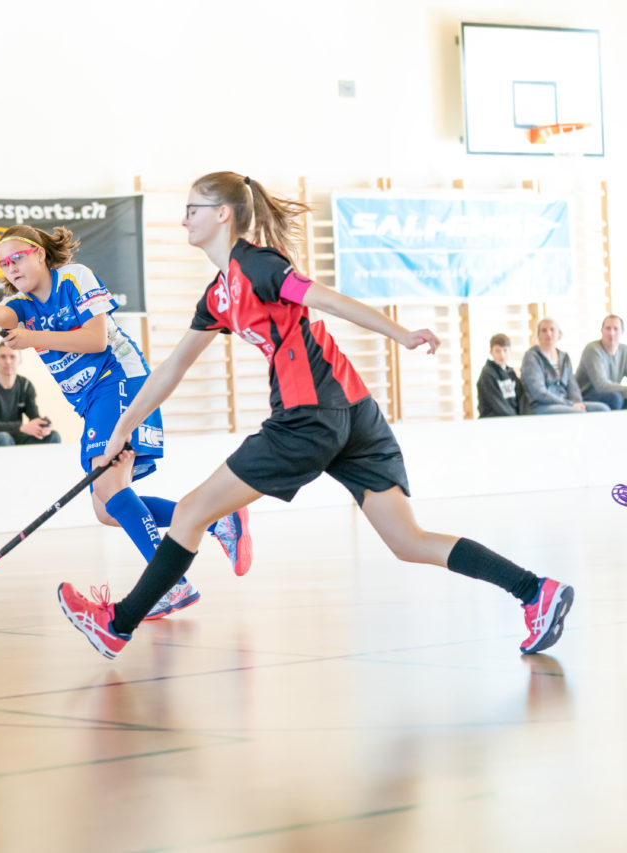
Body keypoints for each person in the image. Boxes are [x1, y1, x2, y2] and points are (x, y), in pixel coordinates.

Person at [54, 171, 574, 660]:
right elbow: (170, 369)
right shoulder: (218, 295)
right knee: (408, 541)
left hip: (309, 416)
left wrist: (402, 334)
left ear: (223, 215)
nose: (184, 218)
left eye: (193, 208)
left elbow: (328, 300)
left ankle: (117, 625)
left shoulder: (260, 265)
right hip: (356, 414)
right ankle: (536, 591)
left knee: (191, 513)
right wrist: (122, 429)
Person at [0, 224, 252, 621]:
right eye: (3, 264)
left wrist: (33, 337)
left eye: (17, 258)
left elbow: (95, 339)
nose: (10, 268)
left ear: (39, 253)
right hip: (91, 400)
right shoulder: (23, 306)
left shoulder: (74, 277)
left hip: (120, 382)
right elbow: (3, 313)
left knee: (109, 485)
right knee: (107, 510)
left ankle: (171, 584)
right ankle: (216, 519)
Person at [0, 342, 60, 448]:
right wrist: (22, 427)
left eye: (12, 357)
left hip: (13, 437)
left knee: (53, 436)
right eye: (3, 357)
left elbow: (33, 418)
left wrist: (43, 426)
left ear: (20, 360)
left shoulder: (25, 386)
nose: (8, 361)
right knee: (4, 438)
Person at [520, 318, 609, 414]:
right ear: (538, 334)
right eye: (544, 330)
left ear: (559, 334)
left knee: (603, 409)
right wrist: (570, 404)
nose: (548, 333)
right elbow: (538, 392)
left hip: (565, 403)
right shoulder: (532, 357)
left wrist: (577, 402)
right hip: (541, 405)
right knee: (577, 413)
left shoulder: (564, 357)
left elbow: (573, 387)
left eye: (552, 329)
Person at [575, 314, 627, 411]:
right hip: (587, 394)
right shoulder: (593, 350)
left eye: (616, 329)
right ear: (602, 330)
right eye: (608, 328)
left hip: (610, 392)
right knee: (616, 398)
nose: (611, 333)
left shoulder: (624, 350)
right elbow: (601, 385)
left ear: (622, 332)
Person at [476, 333, 522, 417]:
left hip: (512, 419)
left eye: (505, 350)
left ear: (510, 351)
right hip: (494, 420)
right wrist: (516, 419)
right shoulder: (487, 374)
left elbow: (520, 398)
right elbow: (498, 404)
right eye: (498, 351)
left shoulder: (511, 374)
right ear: (491, 352)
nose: (502, 355)